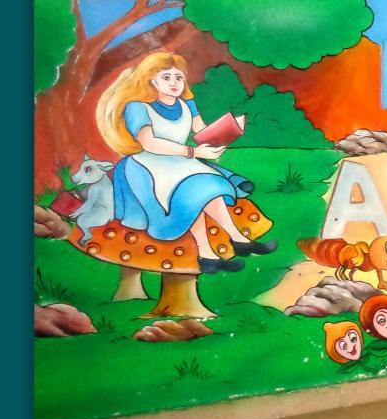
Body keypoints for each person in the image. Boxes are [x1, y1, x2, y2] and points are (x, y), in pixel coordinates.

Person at [95, 52, 275, 273]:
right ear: (152, 80)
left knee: (198, 196)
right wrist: (193, 151)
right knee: (199, 191)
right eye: (166, 77)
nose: (174, 83)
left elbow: (201, 130)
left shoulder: (186, 104)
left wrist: (225, 134)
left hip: (181, 161)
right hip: (149, 166)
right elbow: (149, 143)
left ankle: (209, 257)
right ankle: (237, 241)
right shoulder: (138, 107)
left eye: (179, 77)